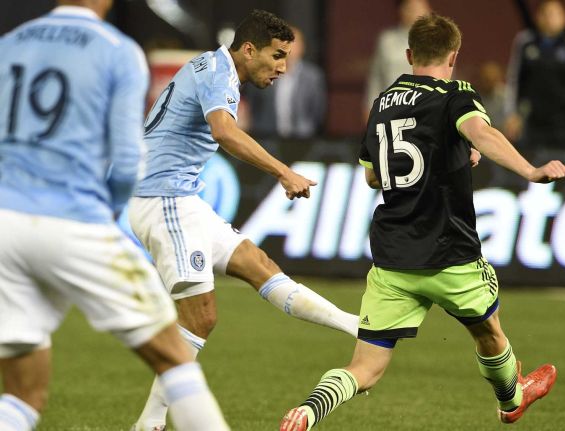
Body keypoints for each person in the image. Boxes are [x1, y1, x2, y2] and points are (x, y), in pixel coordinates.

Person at [280, 13, 565, 430]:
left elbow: (372, 176)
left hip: (393, 258)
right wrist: (529, 170)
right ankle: (511, 400)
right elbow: (482, 132)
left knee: (364, 368)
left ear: (409, 55)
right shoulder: (456, 95)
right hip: (450, 252)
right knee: (489, 333)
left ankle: (307, 411)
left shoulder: (382, 102)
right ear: (454, 56)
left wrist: (452, 149)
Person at [0, 1, 229, 430]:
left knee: (22, 392)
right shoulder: (116, 50)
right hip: (73, 218)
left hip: (4, 223)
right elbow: (128, 162)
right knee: (175, 355)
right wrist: (105, 212)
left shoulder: (9, 44)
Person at [126, 10, 359, 431]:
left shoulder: (215, 66)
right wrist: (283, 172)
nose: (283, 67)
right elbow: (224, 131)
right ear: (248, 50)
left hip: (182, 198)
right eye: (277, 55)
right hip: (164, 198)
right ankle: (150, 423)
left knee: (259, 265)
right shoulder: (218, 72)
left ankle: (359, 328)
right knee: (200, 316)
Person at [504, 0, 565, 148]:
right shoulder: (525, 41)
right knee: (532, 168)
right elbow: (514, 80)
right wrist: (512, 115)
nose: (549, 18)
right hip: (533, 124)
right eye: (545, 14)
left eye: (554, 14)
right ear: (537, 17)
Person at [244, 26, 327, 138]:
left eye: (292, 43)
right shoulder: (262, 73)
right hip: (267, 138)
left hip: (303, 140)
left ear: (302, 47)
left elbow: (318, 113)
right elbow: (253, 106)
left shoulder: (313, 77)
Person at [363, 0, 431, 123]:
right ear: (402, 11)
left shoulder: (438, 41)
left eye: (421, 8)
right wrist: (369, 108)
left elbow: (449, 79)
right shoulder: (387, 41)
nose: (418, 13)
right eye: (411, 8)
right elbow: (376, 78)